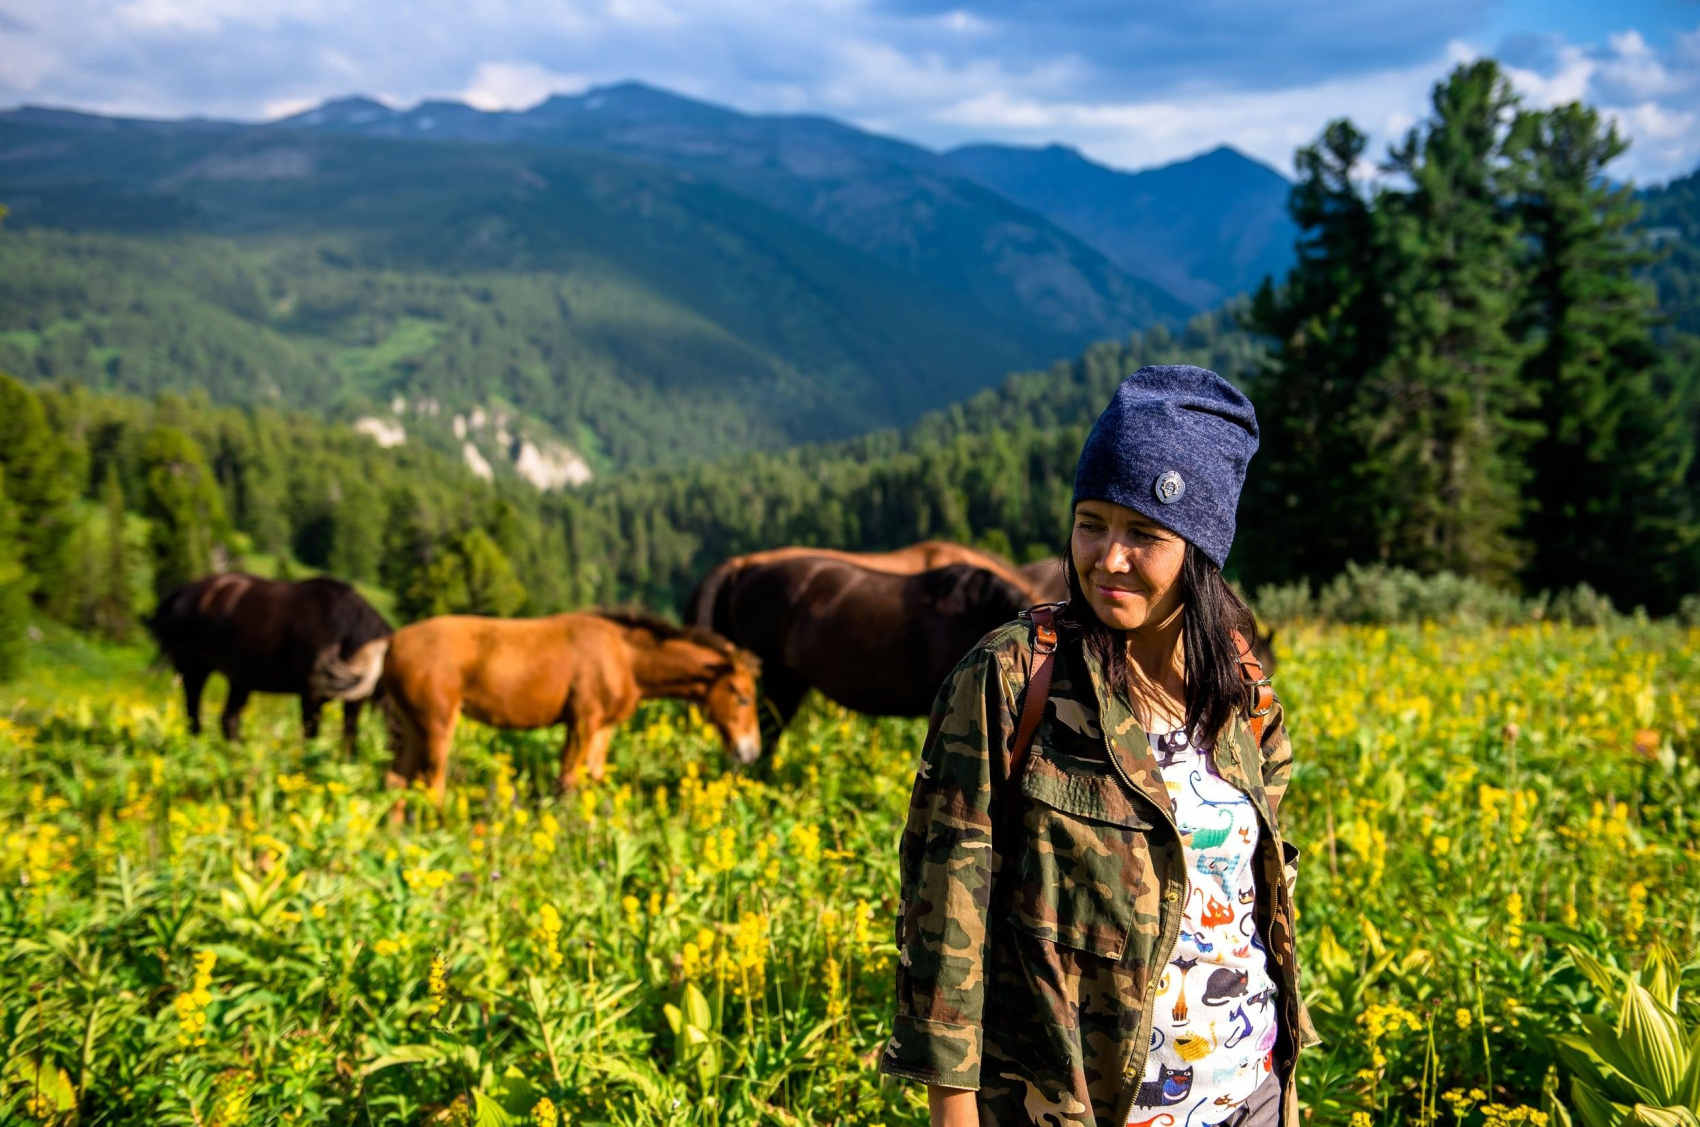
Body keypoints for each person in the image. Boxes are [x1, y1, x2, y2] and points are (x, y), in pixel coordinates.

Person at [880, 365, 1319, 1127]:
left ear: (1202, 547)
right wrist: (953, 1114)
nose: (1107, 559)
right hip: (1073, 1107)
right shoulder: (1014, 678)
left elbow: (1260, 907)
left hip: (1249, 1094)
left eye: (1144, 534)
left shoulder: (1248, 697)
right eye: (1092, 522)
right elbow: (945, 915)